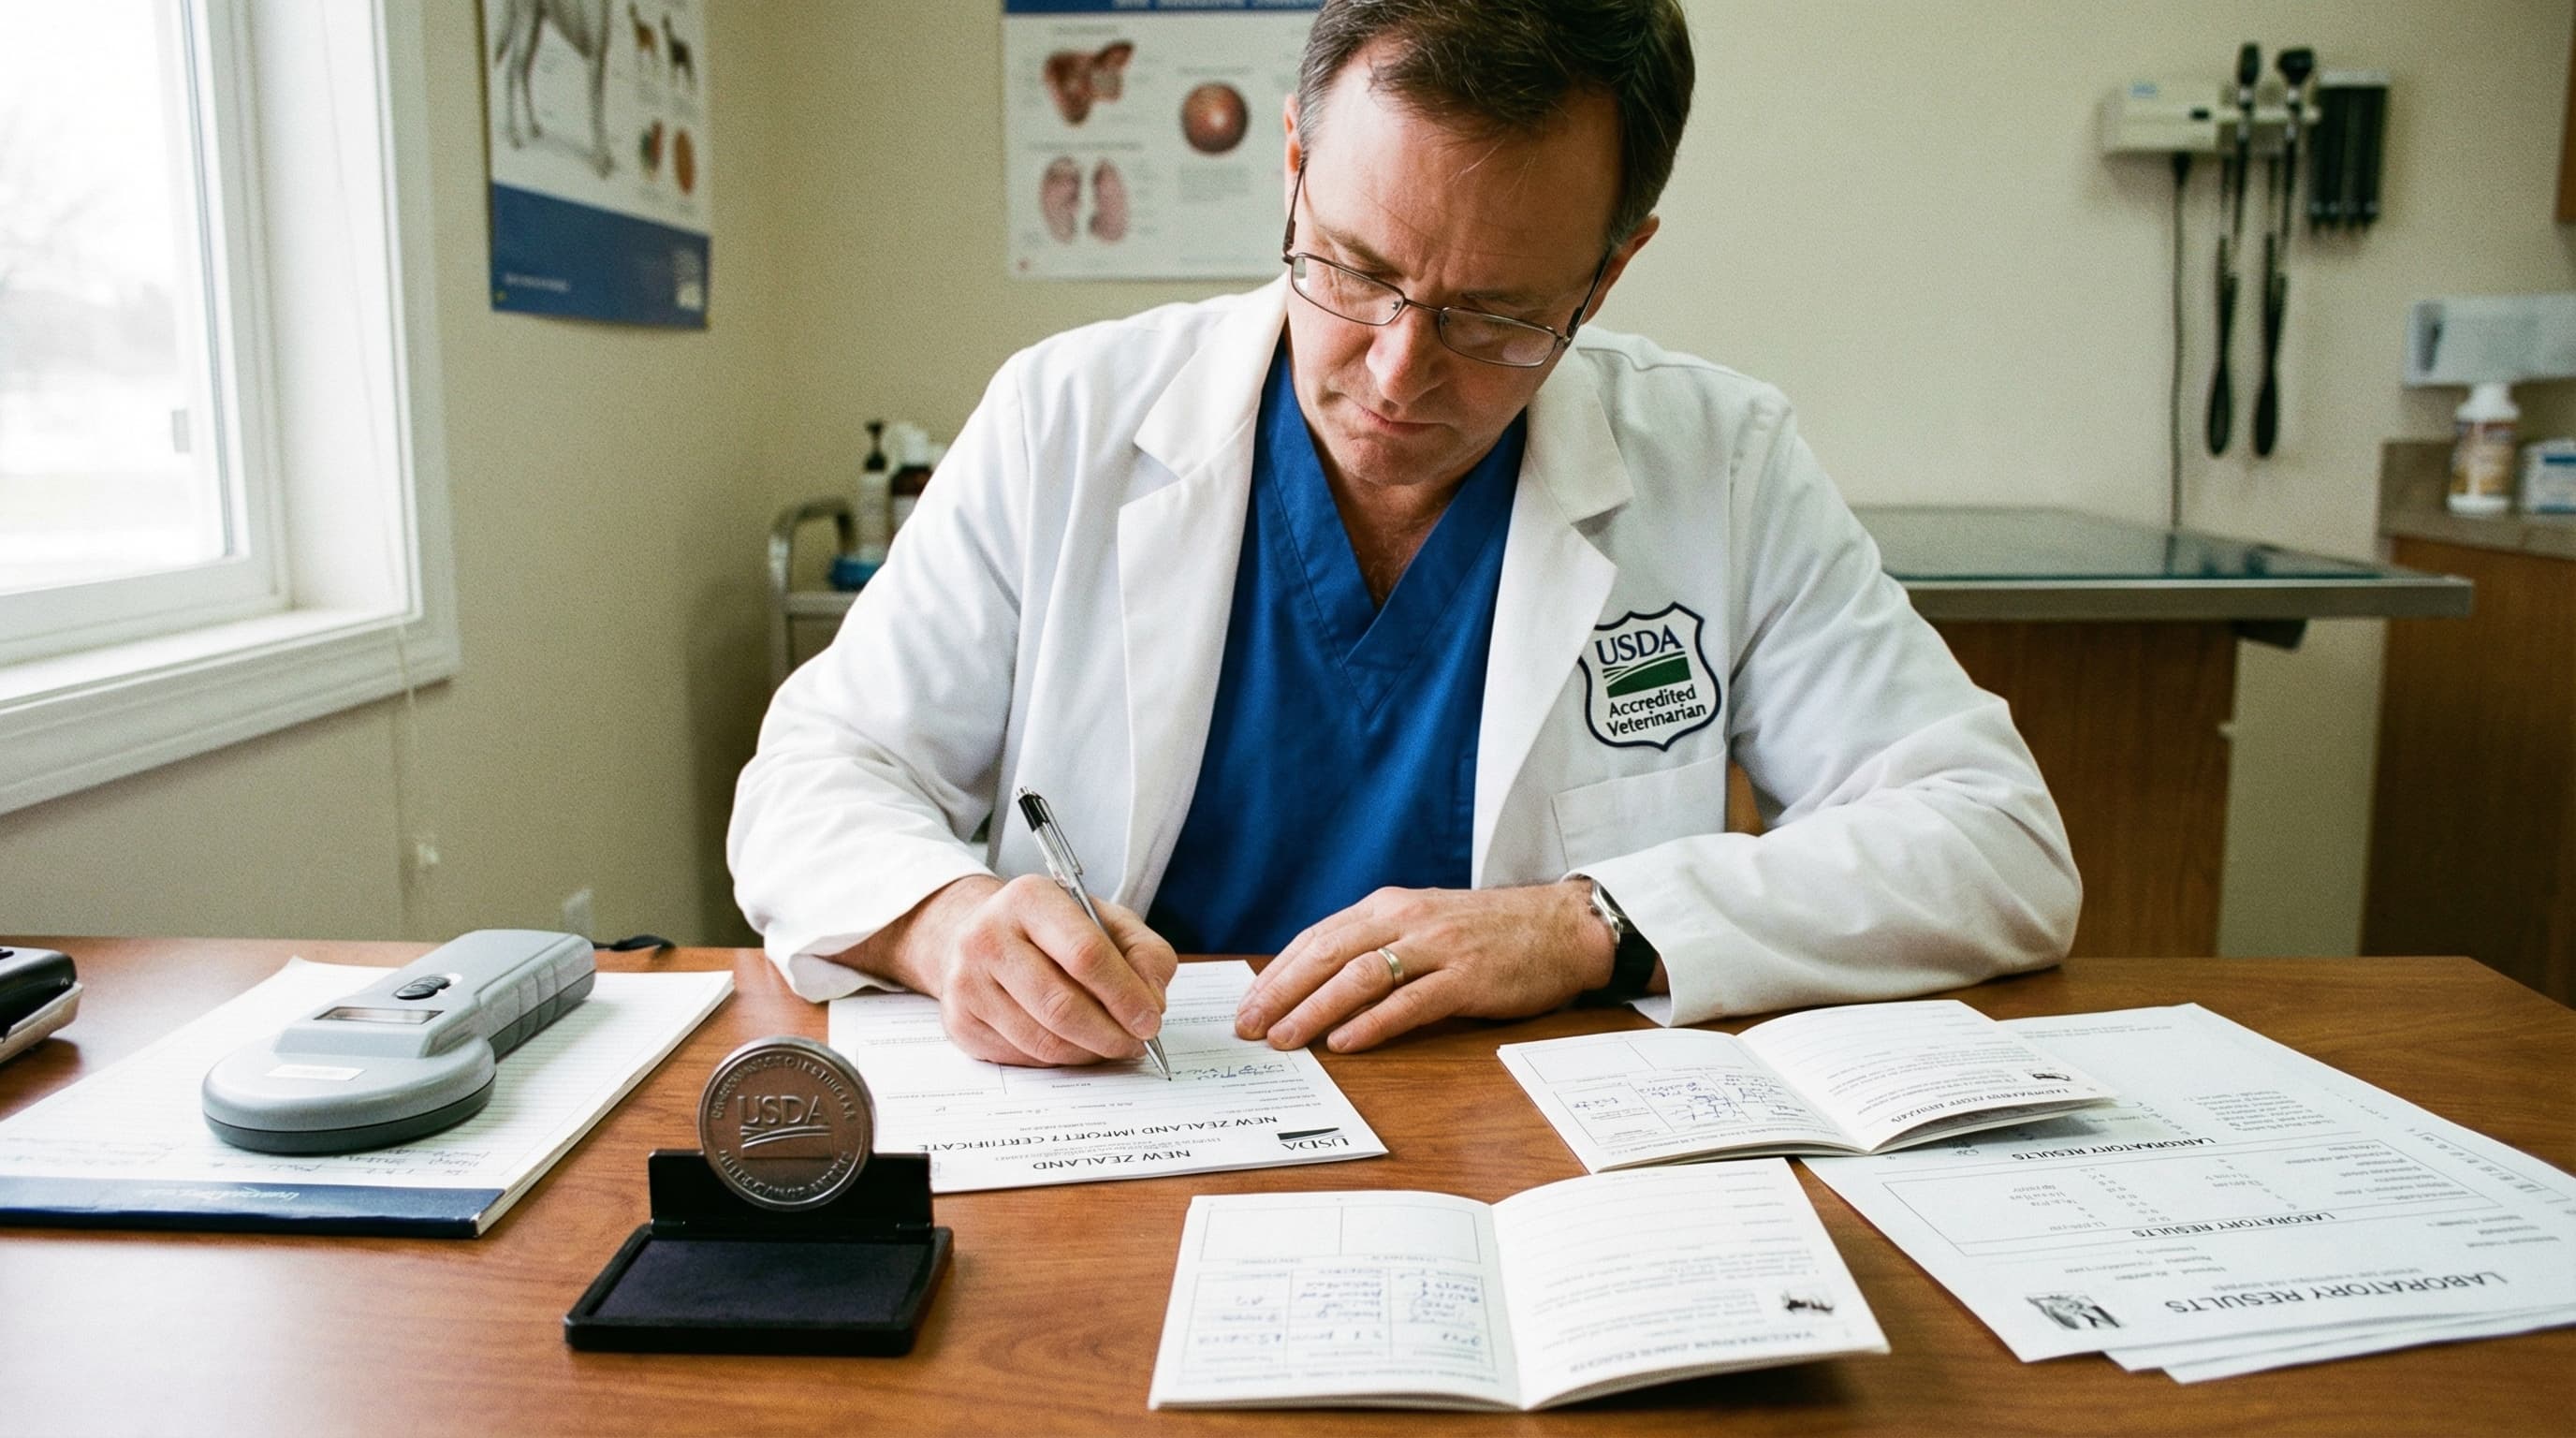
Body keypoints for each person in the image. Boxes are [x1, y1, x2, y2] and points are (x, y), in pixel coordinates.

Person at [728, 0, 2079, 1067]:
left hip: (1541, 1167)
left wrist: (1593, 925)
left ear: (1610, 270)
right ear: (1296, 167)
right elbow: (816, 774)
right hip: (1125, 1133)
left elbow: (1997, 847)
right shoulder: (1067, 418)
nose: (1394, 376)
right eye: (1355, 270)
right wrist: (944, 920)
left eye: (1494, 317)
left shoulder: (1718, 465)